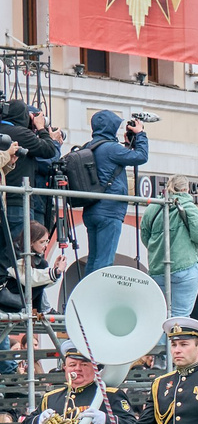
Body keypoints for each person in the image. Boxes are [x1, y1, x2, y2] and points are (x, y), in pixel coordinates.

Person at [69, 110, 148, 290]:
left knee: (93, 258)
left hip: (91, 210)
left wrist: (127, 145)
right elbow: (141, 157)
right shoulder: (111, 148)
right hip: (110, 211)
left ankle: (86, 293)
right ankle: (98, 296)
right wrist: (141, 135)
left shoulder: (89, 146)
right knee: (104, 261)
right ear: (111, 127)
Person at [138, 184, 198, 356]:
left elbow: (145, 236)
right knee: (180, 316)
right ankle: (172, 357)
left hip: (158, 269)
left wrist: (158, 251)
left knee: (159, 314)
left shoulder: (153, 208)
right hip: (185, 267)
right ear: (186, 189)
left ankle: (158, 357)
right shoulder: (189, 207)